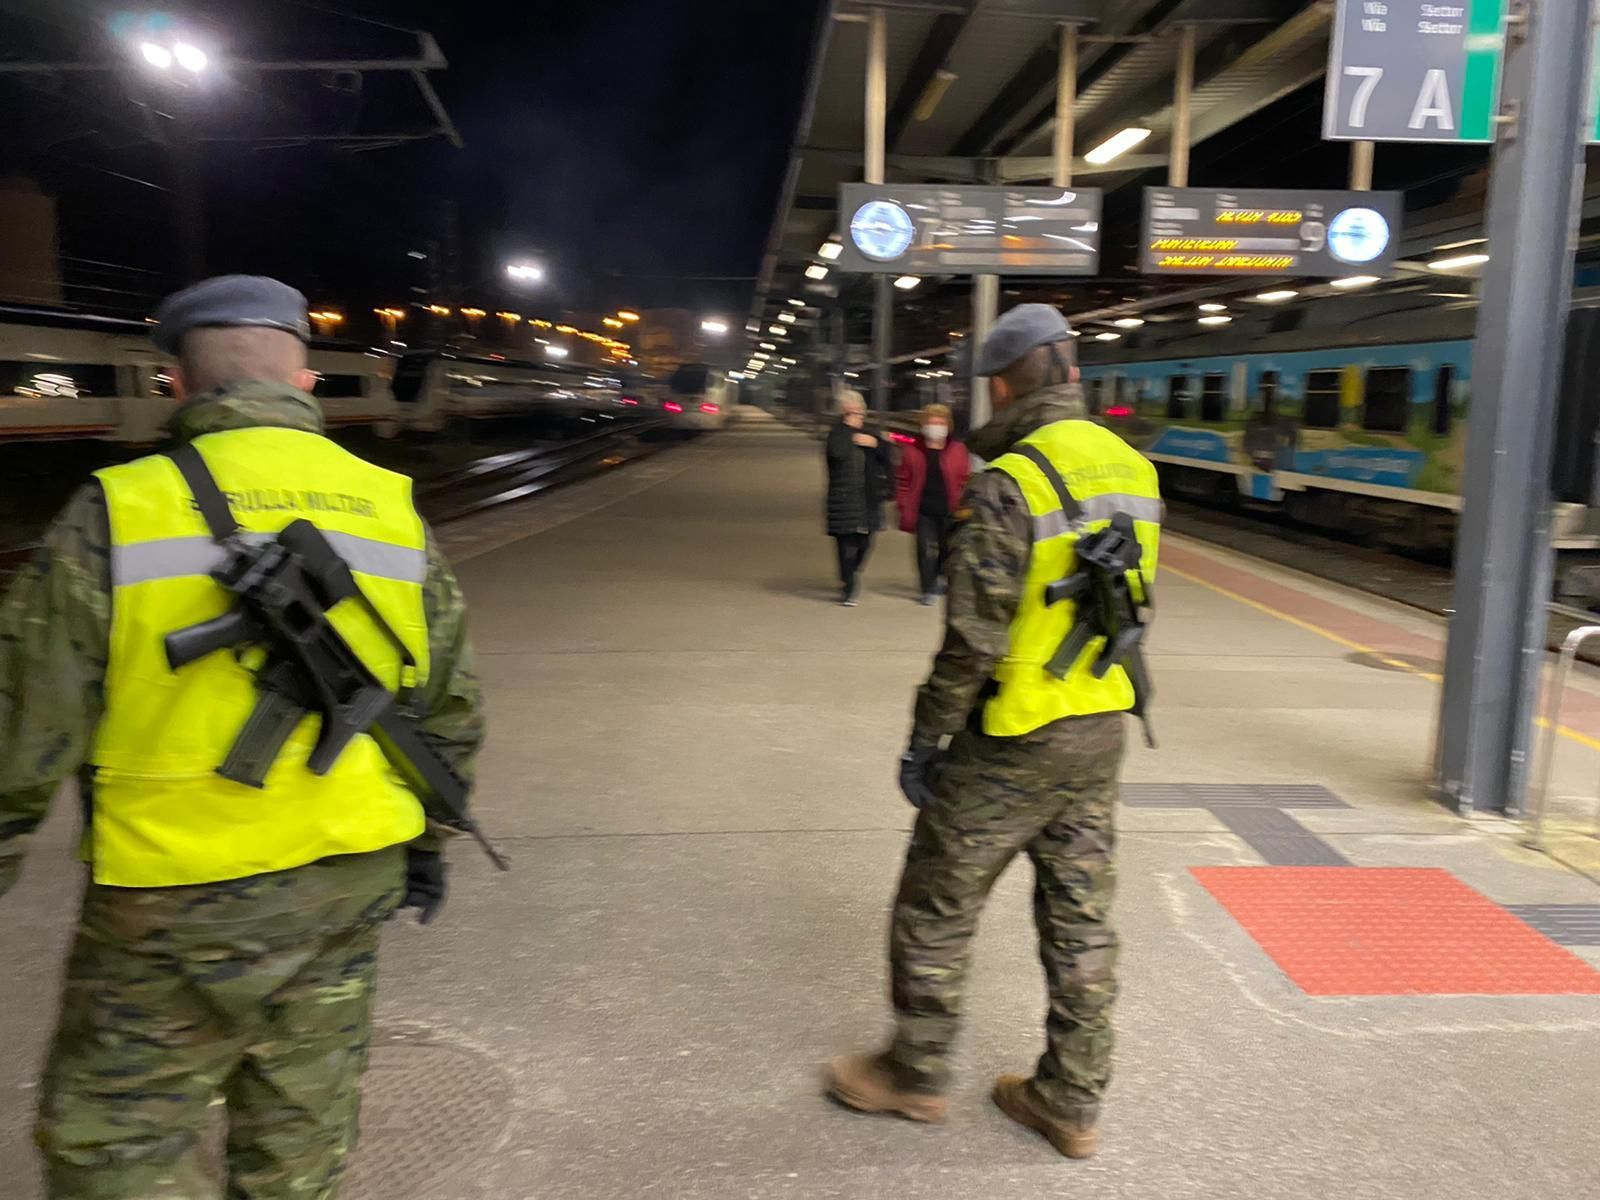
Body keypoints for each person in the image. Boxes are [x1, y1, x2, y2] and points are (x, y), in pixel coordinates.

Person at [0, 275, 486, 1198]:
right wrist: (429, 841)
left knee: (122, 1145)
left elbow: (24, 719)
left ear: (176, 383)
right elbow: (450, 706)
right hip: (348, 875)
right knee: (301, 1125)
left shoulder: (114, 509)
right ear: (305, 381)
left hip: (169, 893)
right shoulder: (390, 505)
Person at [824, 304, 1161, 1159]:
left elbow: (973, 637)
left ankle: (914, 1072)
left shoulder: (1012, 480)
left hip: (1012, 739)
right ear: (1072, 371)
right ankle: (1070, 1100)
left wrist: (926, 740)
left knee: (936, 903)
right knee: (1082, 917)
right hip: (1099, 728)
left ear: (1006, 386)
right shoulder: (1134, 467)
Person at [894, 403, 971, 605]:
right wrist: (903, 504)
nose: (936, 427)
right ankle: (926, 587)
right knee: (924, 549)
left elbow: (965, 479)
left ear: (948, 425)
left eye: (940, 423)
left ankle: (938, 576)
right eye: (932, 423)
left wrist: (964, 503)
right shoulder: (913, 450)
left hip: (949, 509)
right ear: (924, 425)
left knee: (946, 549)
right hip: (923, 510)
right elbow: (903, 480)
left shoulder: (957, 449)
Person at [824, 390, 891, 606]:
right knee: (845, 545)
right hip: (844, 499)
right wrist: (849, 433)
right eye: (851, 413)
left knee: (865, 542)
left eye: (859, 412)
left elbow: (886, 457)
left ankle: (854, 571)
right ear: (844, 413)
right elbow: (836, 453)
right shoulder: (836, 434)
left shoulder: (870, 434)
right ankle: (849, 585)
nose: (857, 417)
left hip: (869, 498)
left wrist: (876, 444)